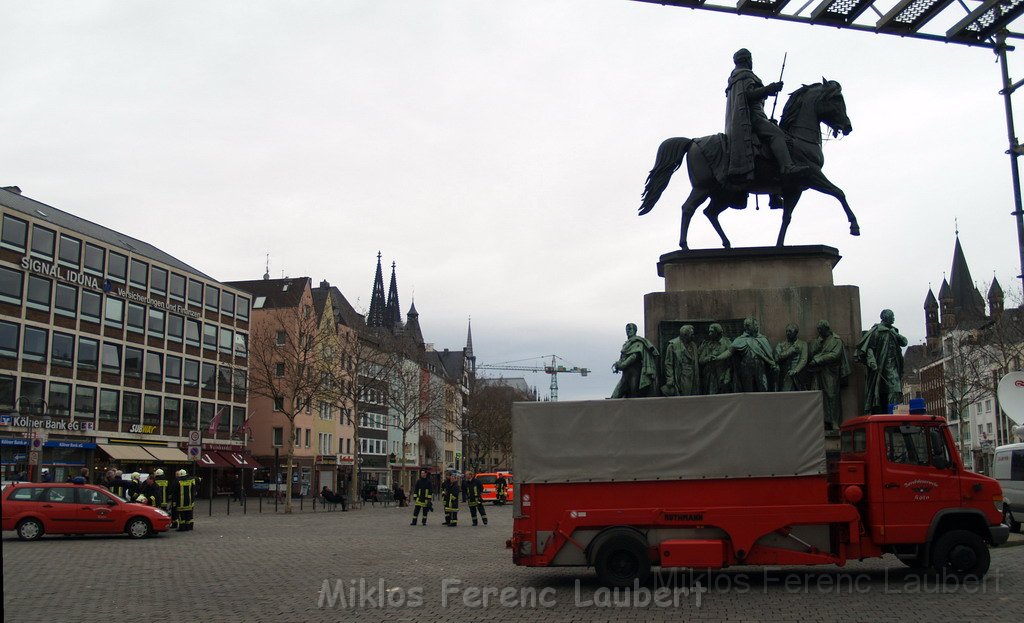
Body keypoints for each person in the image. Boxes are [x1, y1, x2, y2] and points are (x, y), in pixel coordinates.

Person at [725, 48, 808, 183]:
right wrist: (770, 88)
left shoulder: (735, 77)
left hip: (754, 117)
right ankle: (787, 167)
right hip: (753, 118)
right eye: (750, 59)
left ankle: (774, 192)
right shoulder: (745, 74)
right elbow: (749, 95)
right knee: (777, 135)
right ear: (747, 59)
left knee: (774, 135)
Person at [855, 309, 908, 414]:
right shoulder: (876, 331)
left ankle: (893, 415)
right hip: (881, 366)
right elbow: (869, 348)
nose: (893, 318)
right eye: (892, 316)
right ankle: (892, 415)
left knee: (893, 390)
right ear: (885, 317)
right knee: (888, 391)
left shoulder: (893, 331)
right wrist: (872, 361)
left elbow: (904, 342)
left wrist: (894, 333)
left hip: (894, 367)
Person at [808, 319, 851, 430]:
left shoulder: (836, 340)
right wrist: (818, 342)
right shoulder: (819, 340)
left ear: (825, 329)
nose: (818, 331)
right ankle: (822, 421)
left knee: (832, 396)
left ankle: (834, 421)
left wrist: (818, 359)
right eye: (818, 329)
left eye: (820, 329)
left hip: (831, 373)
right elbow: (811, 352)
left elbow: (835, 355)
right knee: (817, 397)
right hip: (817, 372)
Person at [611, 323, 660, 398]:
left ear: (635, 330)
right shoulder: (627, 344)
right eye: (627, 330)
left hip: (635, 373)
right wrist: (618, 364)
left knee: (634, 394)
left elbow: (634, 356)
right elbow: (623, 357)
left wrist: (622, 365)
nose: (628, 331)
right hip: (626, 374)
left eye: (630, 329)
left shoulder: (638, 342)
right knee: (615, 395)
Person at [730, 317, 778, 392]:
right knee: (748, 389)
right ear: (749, 327)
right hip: (746, 367)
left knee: (763, 387)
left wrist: (772, 364)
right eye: (755, 325)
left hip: (760, 367)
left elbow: (769, 355)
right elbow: (729, 352)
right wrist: (717, 358)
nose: (757, 326)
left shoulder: (762, 339)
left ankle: (765, 403)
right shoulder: (739, 340)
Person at [662, 325, 700, 397]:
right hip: (681, 376)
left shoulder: (693, 345)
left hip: (694, 375)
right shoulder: (673, 345)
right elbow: (668, 364)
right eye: (692, 334)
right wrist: (670, 379)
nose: (693, 336)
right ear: (685, 335)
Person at [698, 323, 733, 395]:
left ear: (718, 333)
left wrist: (727, 376)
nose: (709, 334)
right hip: (709, 376)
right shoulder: (707, 344)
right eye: (709, 331)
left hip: (722, 375)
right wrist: (708, 358)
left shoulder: (727, 343)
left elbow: (731, 362)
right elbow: (701, 360)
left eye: (712, 332)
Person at [774, 323, 809, 391]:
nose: (788, 333)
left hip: (799, 376)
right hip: (784, 376)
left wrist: (795, 370)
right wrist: (790, 351)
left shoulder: (803, 344)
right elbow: (776, 358)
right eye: (787, 331)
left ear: (796, 332)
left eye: (790, 331)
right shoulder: (780, 345)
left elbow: (803, 360)